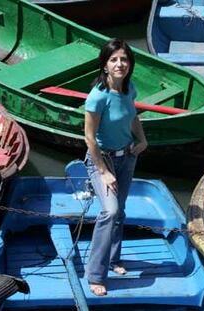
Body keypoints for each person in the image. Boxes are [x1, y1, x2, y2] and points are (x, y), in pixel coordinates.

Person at [84, 38, 148, 296]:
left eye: (124, 59)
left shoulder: (129, 88)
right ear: (105, 65)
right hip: (103, 160)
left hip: (127, 156)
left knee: (120, 211)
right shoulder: (98, 96)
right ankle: (95, 275)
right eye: (114, 60)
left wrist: (142, 140)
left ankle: (114, 259)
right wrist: (104, 171)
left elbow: (133, 116)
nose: (119, 64)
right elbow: (89, 137)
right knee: (109, 212)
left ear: (130, 64)